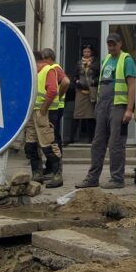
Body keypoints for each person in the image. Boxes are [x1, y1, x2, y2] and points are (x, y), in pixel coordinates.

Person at [78, 33, 136, 189]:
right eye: (109, 44)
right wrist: (97, 106)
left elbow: (131, 86)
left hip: (118, 106)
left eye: (113, 44)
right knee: (97, 143)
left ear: (120, 44)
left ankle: (117, 179)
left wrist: (129, 110)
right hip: (103, 106)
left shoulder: (127, 60)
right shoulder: (105, 60)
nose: (111, 47)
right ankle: (93, 178)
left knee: (116, 143)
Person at [25, 49, 65, 188]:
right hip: (33, 113)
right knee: (30, 145)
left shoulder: (48, 70)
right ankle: (37, 174)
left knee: (49, 145)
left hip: (45, 113)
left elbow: (53, 90)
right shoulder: (34, 72)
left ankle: (57, 175)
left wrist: (43, 108)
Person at [40, 48, 70, 177]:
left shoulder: (55, 68)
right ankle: (50, 166)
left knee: (53, 138)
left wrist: (58, 95)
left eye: (43, 59)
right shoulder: (51, 69)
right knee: (51, 137)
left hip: (55, 108)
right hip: (55, 107)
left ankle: (55, 167)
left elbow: (66, 82)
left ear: (48, 59)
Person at [70, 44, 98, 144]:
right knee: (77, 114)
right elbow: (74, 76)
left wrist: (94, 82)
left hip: (91, 92)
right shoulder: (78, 63)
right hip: (81, 91)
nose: (86, 54)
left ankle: (92, 139)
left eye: (88, 52)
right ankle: (71, 138)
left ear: (92, 53)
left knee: (90, 116)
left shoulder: (95, 63)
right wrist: (77, 82)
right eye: (84, 52)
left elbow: (99, 76)